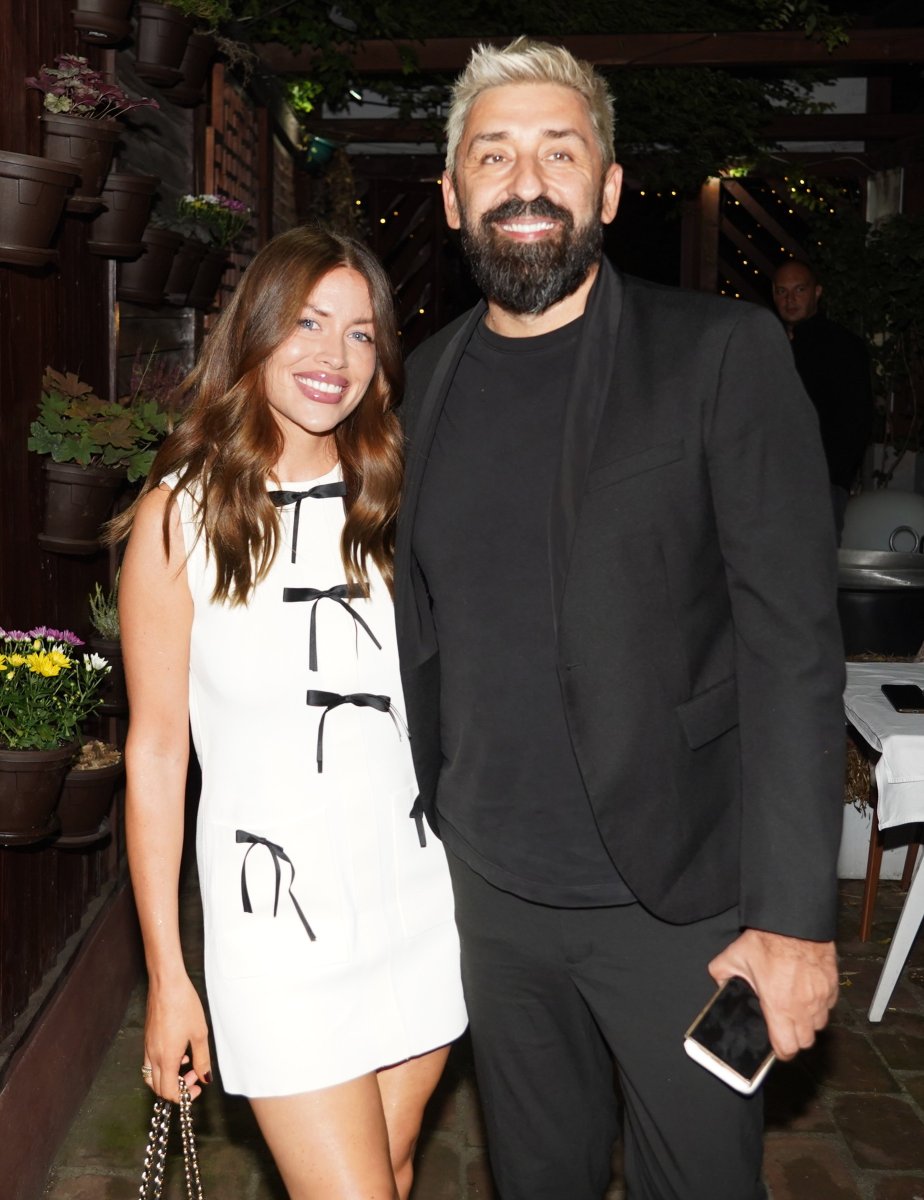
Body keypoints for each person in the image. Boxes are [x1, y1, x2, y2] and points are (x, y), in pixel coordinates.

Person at [394, 37, 845, 1200]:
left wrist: (795, 922)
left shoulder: (721, 354)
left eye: (559, 152)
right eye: (493, 155)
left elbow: (793, 650)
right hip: (489, 898)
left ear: (606, 188)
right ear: (452, 196)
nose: (526, 181)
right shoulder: (424, 381)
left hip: (680, 902)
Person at [116, 226, 467, 1200]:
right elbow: (157, 755)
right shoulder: (179, 518)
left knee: (392, 1168)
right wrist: (168, 974)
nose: (334, 356)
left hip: (419, 901)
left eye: (360, 334)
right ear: (257, 330)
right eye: (308, 323)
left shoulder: (403, 500)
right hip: (276, 925)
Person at [772, 258, 875, 539]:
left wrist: (831, 477)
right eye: (782, 291)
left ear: (817, 292)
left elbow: (857, 419)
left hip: (817, 484)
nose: (790, 299)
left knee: (811, 558)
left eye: (799, 290)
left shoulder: (842, 346)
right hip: (769, 483)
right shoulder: (768, 344)